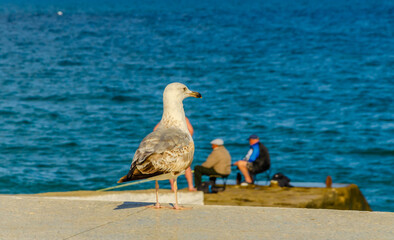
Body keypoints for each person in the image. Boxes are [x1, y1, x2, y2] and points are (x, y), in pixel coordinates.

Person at [154, 117, 197, 191]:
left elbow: (155, 130)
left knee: (171, 166)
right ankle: (190, 186)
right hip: (181, 144)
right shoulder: (183, 118)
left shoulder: (166, 119)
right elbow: (191, 130)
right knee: (186, 165)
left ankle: (173, 187)